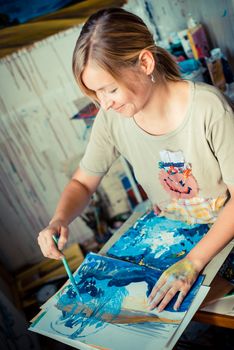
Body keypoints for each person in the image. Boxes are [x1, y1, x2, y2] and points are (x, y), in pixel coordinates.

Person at [38, 8, 234, 312]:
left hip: (224, 232)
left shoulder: (208, 108)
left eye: (110, 89)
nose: (105, 103)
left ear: (145, 62)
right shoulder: (112, 118)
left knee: (186, 308)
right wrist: (59, 219)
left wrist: (193, 261)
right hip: (174, 230)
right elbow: (82, 182)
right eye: (96, 93)